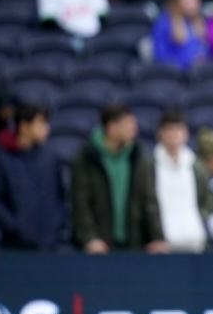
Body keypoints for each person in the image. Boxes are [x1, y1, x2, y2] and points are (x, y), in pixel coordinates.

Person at [71, 105, 168, 254]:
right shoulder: (87, 158)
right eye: (128, 124)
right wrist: (89, 238)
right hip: (99, 248)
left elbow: (149, 200)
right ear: (112, 127)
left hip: (134, 244)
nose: (134, 129)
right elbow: (81, 202)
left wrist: (157, 237)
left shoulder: (138, 156)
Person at [0, 104, 67, 251]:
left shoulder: (51, 158)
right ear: (24, 126)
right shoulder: (2, 159)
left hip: (50, 246)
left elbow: (60, 198)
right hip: (15, 247)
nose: (46, 129)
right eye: (41, 123)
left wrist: (55, 226)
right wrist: (15, 226)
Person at [153, 110, 213, 252]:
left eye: (178, 129)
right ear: (160, 133)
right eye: (170, 130)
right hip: (162, 244)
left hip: (195, 240)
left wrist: (200, 219)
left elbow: (208, 199)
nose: (174, 135)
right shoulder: (150, 166)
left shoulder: (196, 165)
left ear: (186, 133)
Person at [152, 0, 210, 70]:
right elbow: (161, 57)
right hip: (176, 77)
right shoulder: (164, 24)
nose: (193, 4)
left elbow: (210, 55)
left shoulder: (204, 22)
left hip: (201, 77)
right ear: (176, 1)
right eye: (188, 0)